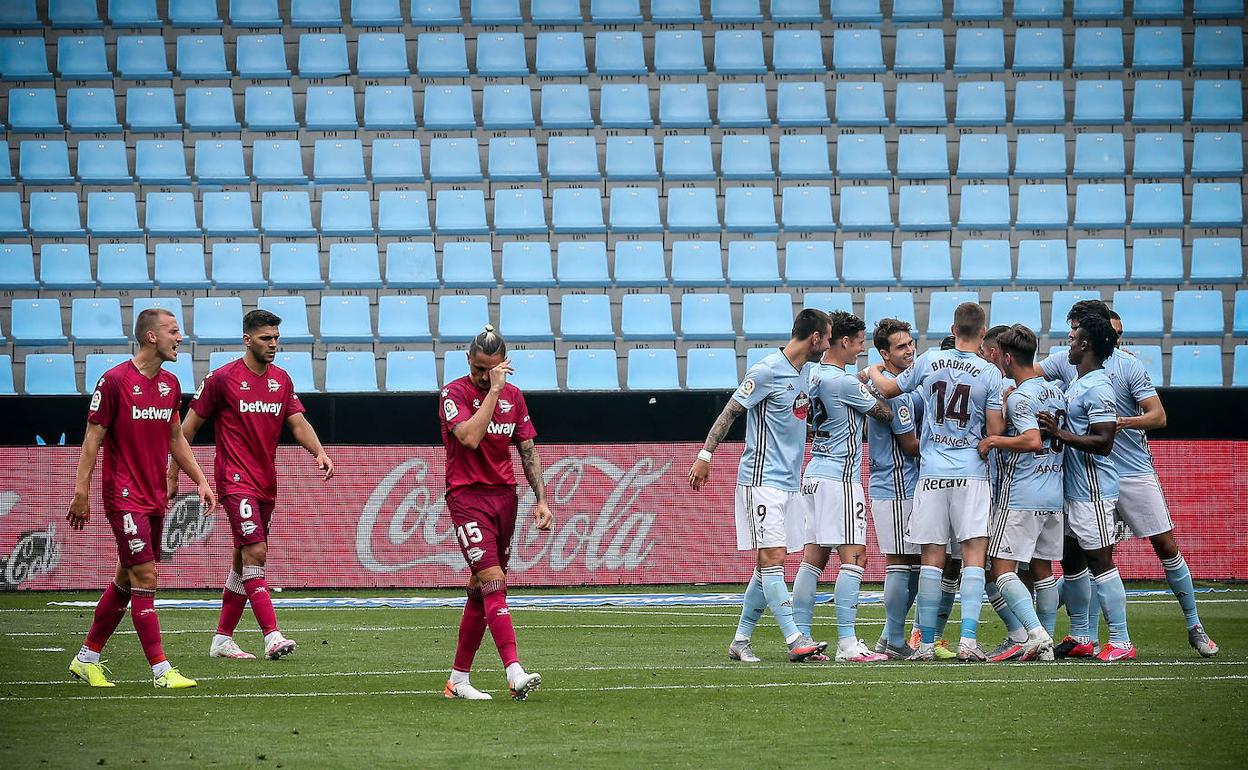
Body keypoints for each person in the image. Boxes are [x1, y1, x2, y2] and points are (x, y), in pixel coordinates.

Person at [1042, 301, 1217, 657]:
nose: (1118, 340)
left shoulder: (1126, 367)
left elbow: (1158, 417)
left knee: (1163, 546)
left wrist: (1121, 422)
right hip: (1089, 473)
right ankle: (1084, 635)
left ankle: (1193, 624)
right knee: (1088, 555)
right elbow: (1033, 373)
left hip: (1132, 470)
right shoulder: (1066, 360)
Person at [172, 310, 335, 661]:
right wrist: (173, 475)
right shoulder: (222, 379)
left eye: (276, 338)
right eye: (265, 338)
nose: (273, 344)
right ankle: (271, 635)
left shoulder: (281, 380)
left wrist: (319, 451)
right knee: (256, 554)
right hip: (234, 480)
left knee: (241, 561)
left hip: (266, 483)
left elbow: (297, 423)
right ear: (247, 340)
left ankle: (222, 639)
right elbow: (185, 431)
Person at [67, 308, 218, 689]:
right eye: (173, 331)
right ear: (151, 337)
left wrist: (200, 479)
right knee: (147, 575)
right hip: (123, 495)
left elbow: (175, 438)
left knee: (125, 578)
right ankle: (161, 670)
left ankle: (87, 658)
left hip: (153, 496)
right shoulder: (115, 381)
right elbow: (92, 439)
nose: (179, 337)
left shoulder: (169, 384)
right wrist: (80, 491)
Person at [689, 309, 832, 664]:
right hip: (761, 480)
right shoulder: (767, 371)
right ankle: (794, 638)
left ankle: (740, 640)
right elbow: (730, 412)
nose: (827, 346)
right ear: (814, 337)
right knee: (774, 559)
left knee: (765, 564)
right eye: (827, 338)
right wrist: (705, 456)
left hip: (789, 483)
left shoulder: (806, 373)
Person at [865, 302, 1004, 662]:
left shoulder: (928, 361)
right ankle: (968, 640)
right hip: (971, 472)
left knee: (931, 556)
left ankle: (925, 643)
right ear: (983, 334)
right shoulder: (989, 374)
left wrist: (872, 370)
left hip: (932, 473)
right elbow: (995, 431)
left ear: (954, 330)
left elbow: (890, 388)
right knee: (973, 554)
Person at [441, 325, 552, 700]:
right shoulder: (452, 394)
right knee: (493, 580)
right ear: (469, 360)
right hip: (467, 497)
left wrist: (541, 499)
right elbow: (469, 438)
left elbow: (528, 451)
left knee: (478, 590)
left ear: (503, 365)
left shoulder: (515, 398)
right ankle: (514, 669)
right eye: (477, 369)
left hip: (505, 499)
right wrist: (493, 391)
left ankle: (458, 680)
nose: (482, 376)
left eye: (490, 370)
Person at [791, 312, 893, 663]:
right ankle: (848, 644)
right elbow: (884, 415)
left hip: (814, 472)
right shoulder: (847, 384)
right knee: (855, 557)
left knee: (813, 558)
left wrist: (863, 377)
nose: (863, 349)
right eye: (860, 342)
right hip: (841, 478)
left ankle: (801, 637)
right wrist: (878, 378)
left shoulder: (814, 375)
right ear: (845, 342)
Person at [1039, 313, 1135, 662]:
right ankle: (1081, 635)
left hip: (1092, 490)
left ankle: (1121, 641)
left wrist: (1059, 433)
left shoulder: (1099, 386)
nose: (1070, 341)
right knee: (1073, 562)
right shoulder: (1079, 381)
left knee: (1101, 562)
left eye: (1075, 337)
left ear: (1087, 345)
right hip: (1072, 488)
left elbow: (1105, 441)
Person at [977, 325, 1064, 662]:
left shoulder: (1020, 396)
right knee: (1043, 571)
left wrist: (993, 440)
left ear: (1008, 357)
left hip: (1022, 495)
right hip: (1053, 494)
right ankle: (1047, 644)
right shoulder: (1055, 393)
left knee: (999, 569)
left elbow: (1031, 440)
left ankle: (1035, 634)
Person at [863, 319, 922, 659]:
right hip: (896, 486)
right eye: (901, 347)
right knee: (900, 562)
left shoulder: (898, 387)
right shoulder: (895, 395)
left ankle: (890, 636)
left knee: (912, 563)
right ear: (885, 354)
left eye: (911, 343)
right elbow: (911, 446)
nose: (910, 349)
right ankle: (895, 639)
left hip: (901, 485)